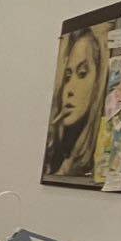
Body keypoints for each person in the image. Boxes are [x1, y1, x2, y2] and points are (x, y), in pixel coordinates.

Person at [44, 25, 108, 180]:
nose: (69, 90)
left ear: (98, 83)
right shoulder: (57, 157)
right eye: (67, 77)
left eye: (82, 73)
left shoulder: (95, 161)